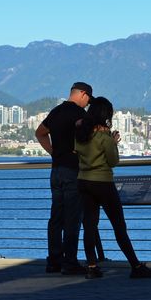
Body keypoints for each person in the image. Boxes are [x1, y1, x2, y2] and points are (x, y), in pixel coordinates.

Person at [75, 96, 151, 279]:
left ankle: (92, 266)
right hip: (103, 182)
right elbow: (113, 161)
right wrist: (113, 143)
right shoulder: (104, 137)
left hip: (83, 181)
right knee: (119, 226)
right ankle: (135, 266)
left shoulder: (81, 133)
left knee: (89, 225)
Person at [35, 81, 91, 275]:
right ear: (83, 94)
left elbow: (40, 133)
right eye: (88, 100)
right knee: (73, 218)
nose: (88, 104)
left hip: (56, 170)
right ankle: (70, 262)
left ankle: (53, 261)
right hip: (73, 170)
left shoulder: (56, 112)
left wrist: (54, 152)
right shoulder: (80, 115)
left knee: (56, 217)